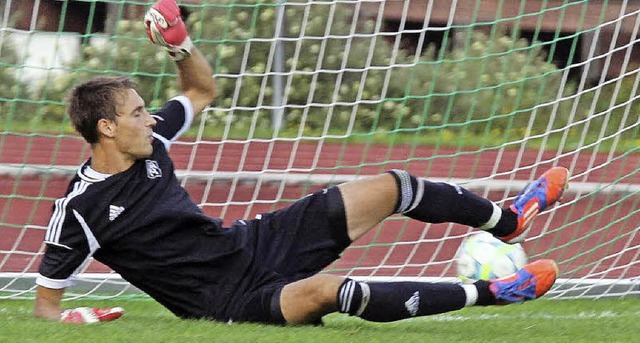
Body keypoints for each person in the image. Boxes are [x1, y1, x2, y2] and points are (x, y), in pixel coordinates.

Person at [33, 0, 570, 325]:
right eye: (138, 113)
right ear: (107, 128)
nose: (151, 119)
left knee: (392, 185)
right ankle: (494, 293)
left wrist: (179, 46)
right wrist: (73, 315)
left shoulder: (153, 145)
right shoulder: (78, 210)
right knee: (334, 292)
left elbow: (201, 88)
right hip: (229, 300)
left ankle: (509, 220)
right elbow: (45, 306)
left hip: (249, 244)